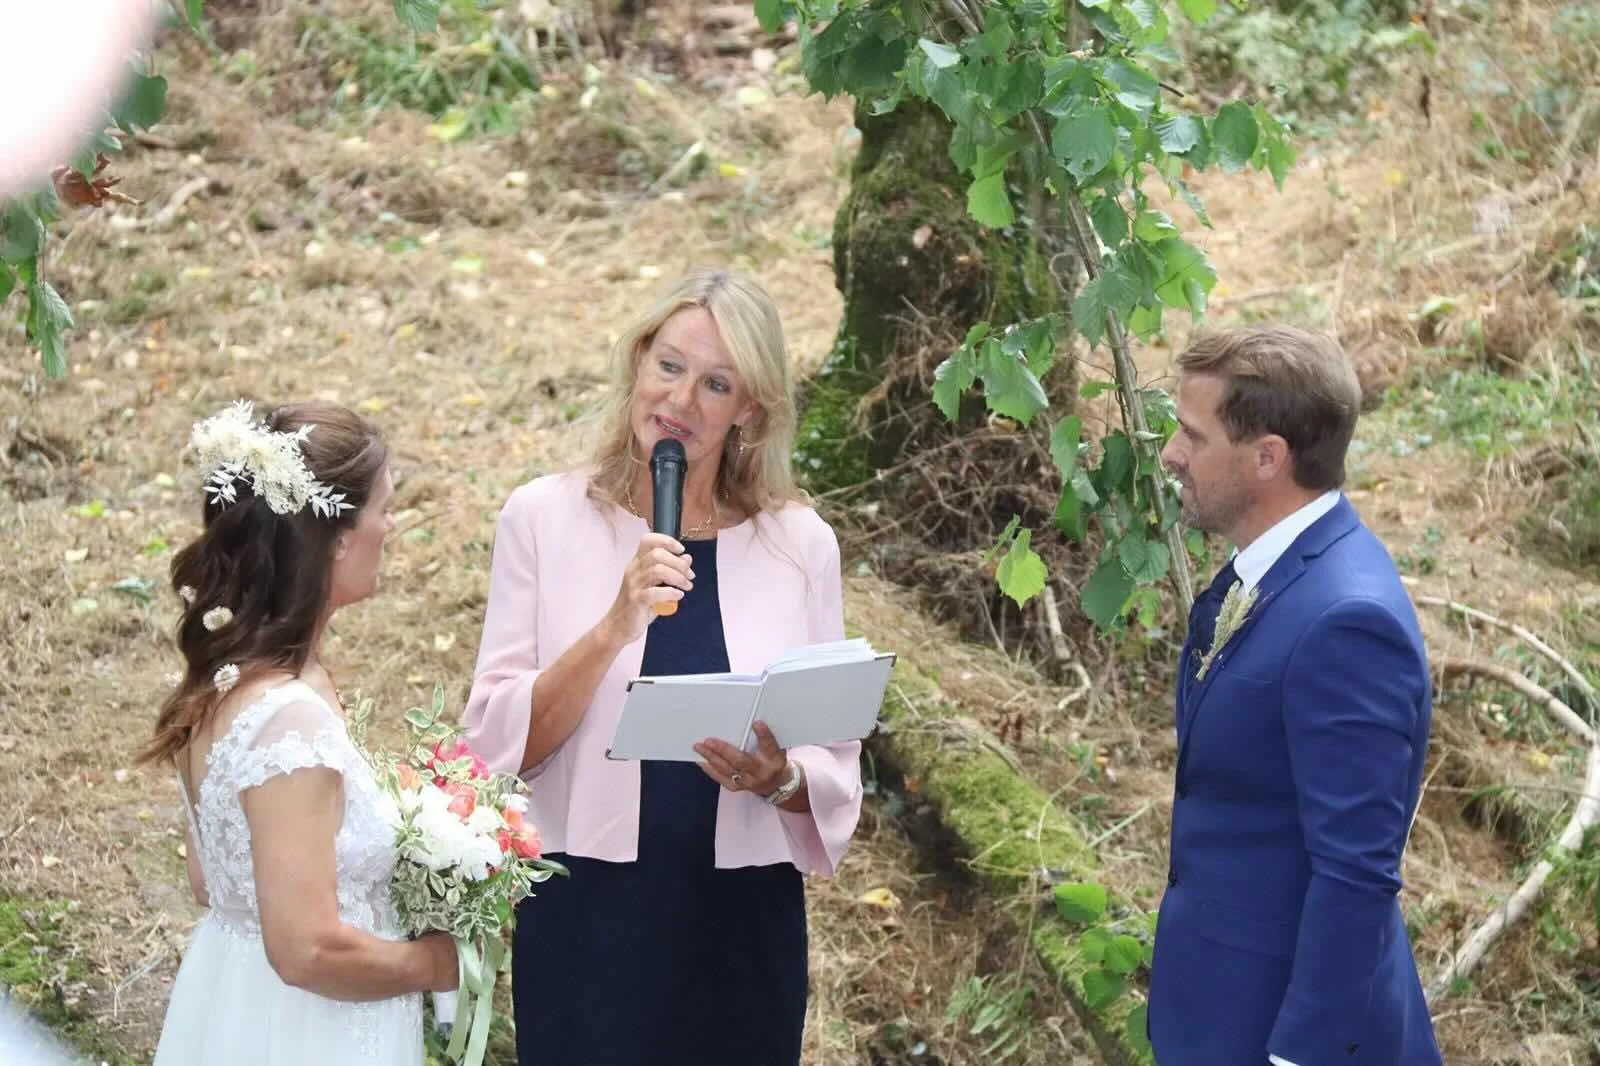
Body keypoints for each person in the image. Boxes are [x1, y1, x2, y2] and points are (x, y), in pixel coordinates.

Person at [463, 268, 863, 1066]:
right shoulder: (541, 518)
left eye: (716, 383)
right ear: (638, 361)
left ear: (749, 409)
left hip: (741, 919)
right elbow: (496, 745)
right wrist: (615, 625)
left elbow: (832, 756)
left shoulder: (800, 544)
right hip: (588, 912)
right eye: (670, 366)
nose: (680, 401)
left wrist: (778, 777)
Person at [1147, 326, 1443, 1066]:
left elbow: (1356, 871)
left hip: (1287, 1035)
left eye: (1192, 435)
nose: (1170, 454)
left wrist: (1298, 1054)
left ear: (1268, 457)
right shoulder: (1268, 573)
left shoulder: (1349, 622)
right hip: (1221, 1010)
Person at [140, 400, 458, 1066]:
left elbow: (212, 880)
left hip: (234, 1003)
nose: (392, 526)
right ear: (337, 536)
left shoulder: (225, 680)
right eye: (385, 509)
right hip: (309, 1033)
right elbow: (307, 948)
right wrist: (435, 963)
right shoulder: (290, 714)